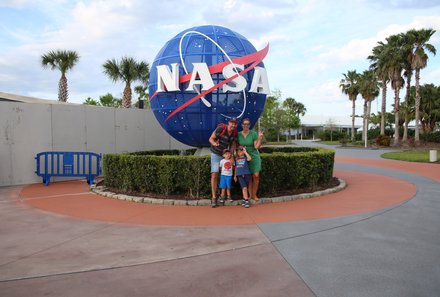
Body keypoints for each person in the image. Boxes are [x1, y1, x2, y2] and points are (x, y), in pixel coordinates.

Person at [209, 118, 237, 208]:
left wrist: (231, 156)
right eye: (231, 123)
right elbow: (211, 139)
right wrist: (214, 144)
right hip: (216, 153)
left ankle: (224, 195)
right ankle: (214, 197)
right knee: (214, 174)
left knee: (226, 174)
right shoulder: (221, 129)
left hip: (225, 155)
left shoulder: (234, 133)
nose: (233, 125)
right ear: (228, 123)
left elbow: (232, 145)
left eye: (235, 124)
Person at [237, 118, 263, 201]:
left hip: (254, 156)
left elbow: (256, 146)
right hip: (244, 158)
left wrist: (260, 138)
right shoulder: (238, 135)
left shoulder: (253, 134)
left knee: (256, 176)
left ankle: (254, 195)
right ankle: (249, 195)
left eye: (247, 124)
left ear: (249, 125)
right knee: (248, 177)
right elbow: (236, 147)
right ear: (242, 125)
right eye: (244, 124)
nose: (246, 125)